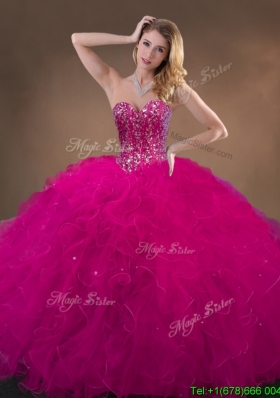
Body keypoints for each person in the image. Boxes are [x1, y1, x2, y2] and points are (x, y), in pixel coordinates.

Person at [0, 15, 280, 398]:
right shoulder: (112, 81)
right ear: (137, 45)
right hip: (115, 185)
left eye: (159, 49)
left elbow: (218, 129)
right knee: (104, 271)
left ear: (168, 56)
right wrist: (128, 33)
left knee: (164, 278)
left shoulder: (173, 89)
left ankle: (156, 359)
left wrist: (175, 149)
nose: (150, 53)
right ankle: (109, 358)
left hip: (160, 185)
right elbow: (77, 38)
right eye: (146, 44)